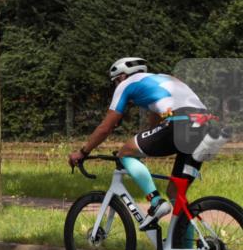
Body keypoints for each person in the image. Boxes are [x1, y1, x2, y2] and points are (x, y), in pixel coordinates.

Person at [68, 57, 213, 231]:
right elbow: (155, 126)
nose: (116, 85)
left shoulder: (125, 85)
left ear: (121, 76)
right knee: (175, 194)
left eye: (115, 81)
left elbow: (106, 127)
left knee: (125, 152)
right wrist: (142, 149)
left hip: (181, 122)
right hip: (208, 127)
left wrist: (83, 152)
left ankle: (156, 202)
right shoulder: (165, 79)